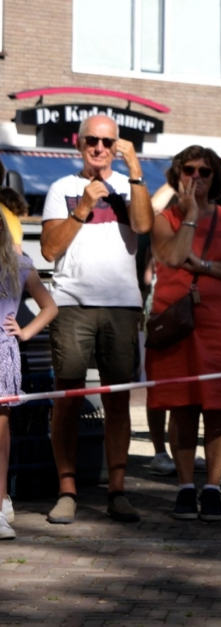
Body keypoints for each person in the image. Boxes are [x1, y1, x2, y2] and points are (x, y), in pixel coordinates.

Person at [40, 114, 153, 524]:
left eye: (107, 142)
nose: (99, 149)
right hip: (71, 303)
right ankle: (67, 490)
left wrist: (136, 171)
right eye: (92, 140)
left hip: (122, 305)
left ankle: (117, 491)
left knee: (118, 399)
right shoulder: (62, 188)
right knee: (66, 398)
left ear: (117, 145)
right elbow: (49, 250)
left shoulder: (129, 186)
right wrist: (83, 207)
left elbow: (143, 225)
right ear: (79, 143)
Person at [146, 147, 221, 522]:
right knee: (183, 404)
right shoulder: (164, 218)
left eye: (205, 172)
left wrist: (206, 266)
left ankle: (211, 486)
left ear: (216, 179)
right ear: (177, 175)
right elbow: (173, 258)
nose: (197, 177)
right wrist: (190, 218)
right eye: (189, 170)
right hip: (179, 323)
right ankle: (183, 486)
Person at [0, 221, 58, 539]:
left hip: (2, 353)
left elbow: (49, 306)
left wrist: (25, 332)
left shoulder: (19, 263)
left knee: (0, 432)